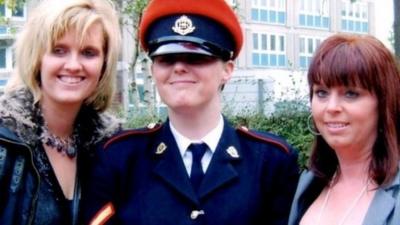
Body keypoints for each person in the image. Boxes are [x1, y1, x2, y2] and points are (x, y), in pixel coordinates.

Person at [82, 0, 299, 224]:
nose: (179, 67)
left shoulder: (271, 162)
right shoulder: (119, 158)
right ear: (152, 70)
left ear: (227, 70)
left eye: (196, 58)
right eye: (166, 59)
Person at [0, 0, 122, 224]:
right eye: (59, 50)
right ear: (37, 59)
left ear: (104, 65)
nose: (74, 65)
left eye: (88, 52)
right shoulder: (5, 142)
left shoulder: (112, 148)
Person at [288, 34, 400, 225]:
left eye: (350, 94)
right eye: (321, 93)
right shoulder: (308, 183)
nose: (331, 107)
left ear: (384, 103)